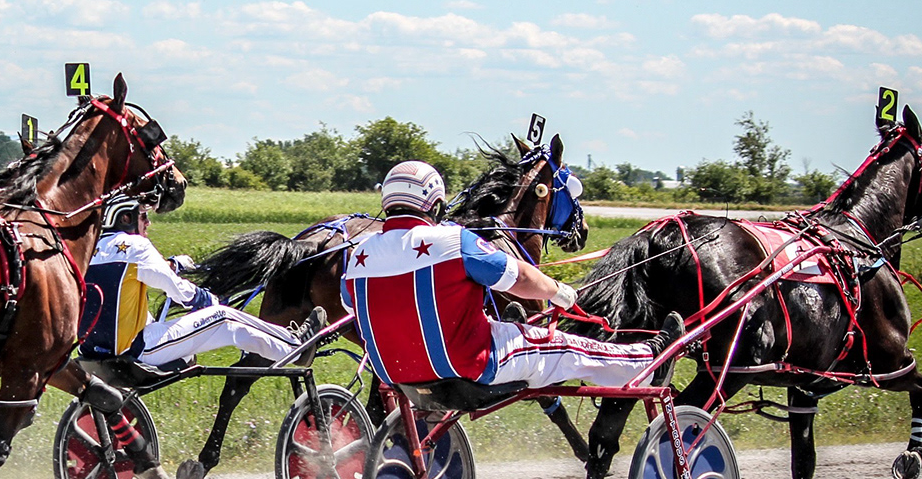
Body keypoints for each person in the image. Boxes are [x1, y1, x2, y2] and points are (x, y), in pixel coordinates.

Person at [341, 161, 681, 394]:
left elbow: (353, 305)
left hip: (395, 374)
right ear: (436, 204)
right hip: (470, 364)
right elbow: (517, 278)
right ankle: (646, 360)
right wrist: (558, 291)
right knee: (563, 345)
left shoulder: (358, 256)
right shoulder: (454, 241)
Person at [81, 195, 317, 372]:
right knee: (225, 317)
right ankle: (295, 346)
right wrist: (206, 299)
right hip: (137, 350)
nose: (148, 224)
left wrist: (173, 264)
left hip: (94, 351)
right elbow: (176, 289)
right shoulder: (136, 246)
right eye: (143, 216)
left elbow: (133, 274)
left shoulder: (90, 251)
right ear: (125, 217)